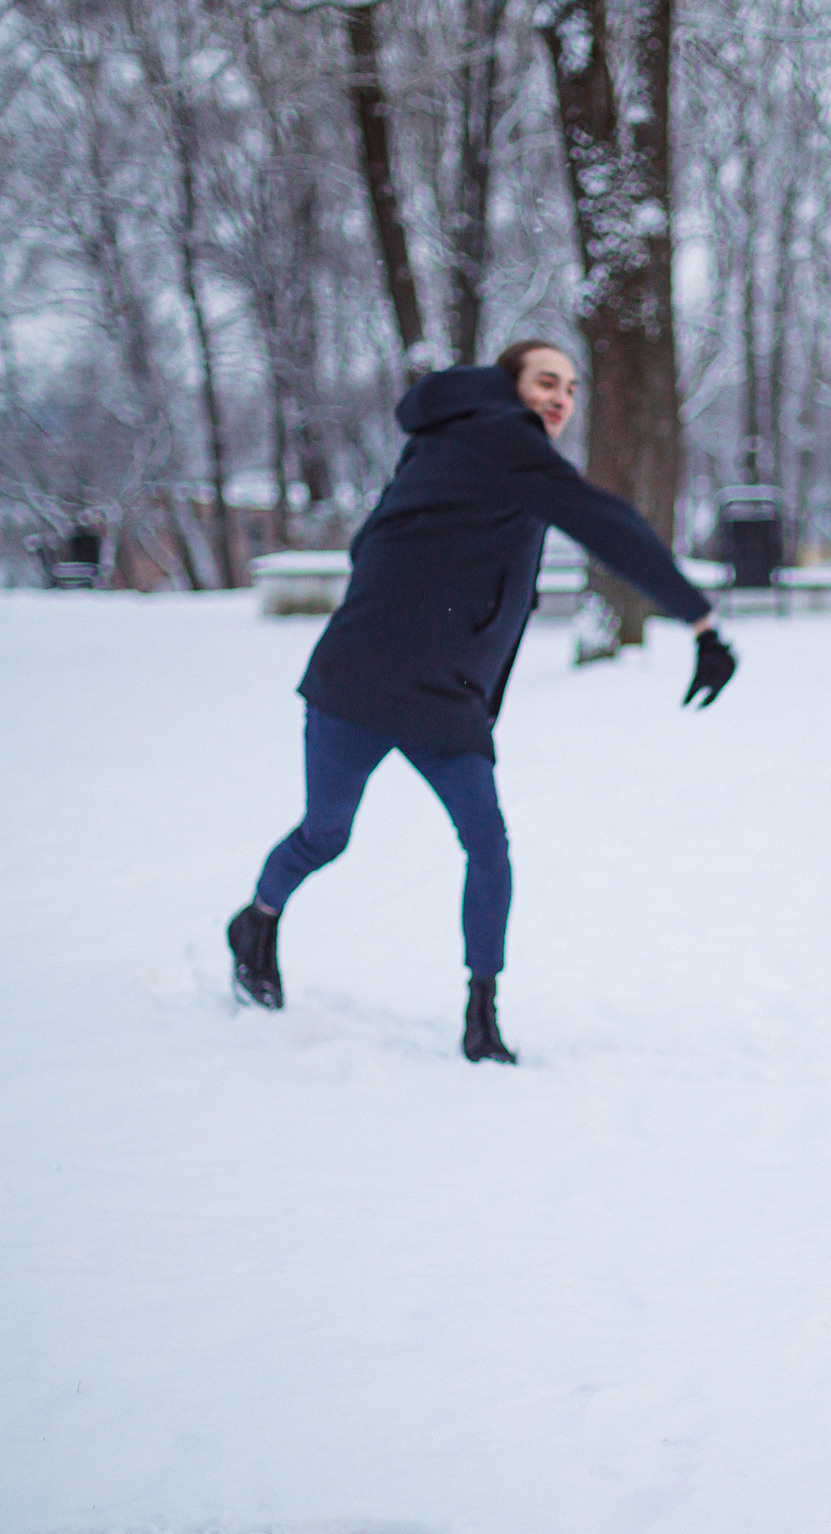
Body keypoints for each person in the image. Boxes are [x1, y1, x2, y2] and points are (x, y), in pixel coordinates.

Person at [226, 340, 738, 1062]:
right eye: (545, 381)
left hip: (439, 698)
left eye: (569, 386)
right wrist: (700, 618)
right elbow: (606, 524)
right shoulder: (504, 438)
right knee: (328, 834)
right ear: (509, 387)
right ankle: (256, 921)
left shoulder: (453, 442)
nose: (560, 397)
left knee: (486, 846)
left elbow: (371, 540)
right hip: (360, 684)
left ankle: (481, 1014)